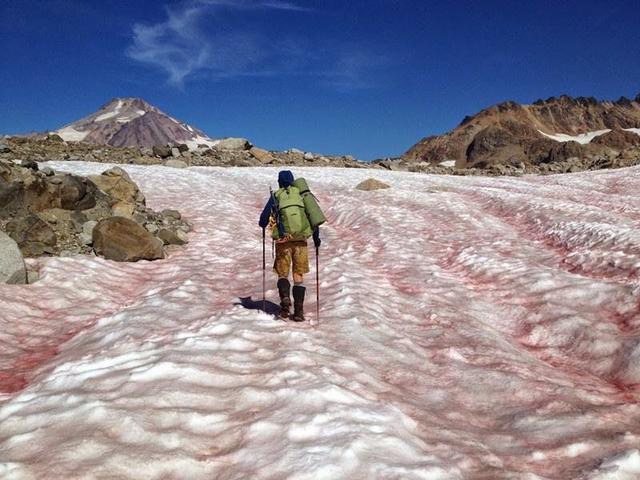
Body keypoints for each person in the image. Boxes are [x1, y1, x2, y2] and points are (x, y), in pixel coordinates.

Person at [258, 170, 321, 321]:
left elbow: (263, 219)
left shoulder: (276, 196)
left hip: (283, 241)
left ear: (279, 182)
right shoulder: (301, 195)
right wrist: (316, 239)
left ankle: (285, 300)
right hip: (301, 241)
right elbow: (313, 217)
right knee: (298, 275)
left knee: (282, 273)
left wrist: (263, 225)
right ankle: (299, 311)